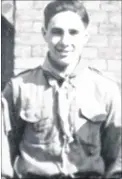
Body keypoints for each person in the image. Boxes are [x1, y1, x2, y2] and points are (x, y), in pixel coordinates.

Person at [2, 0, 121, 179]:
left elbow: (116, 158)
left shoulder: (106, 90)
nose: (65, 41)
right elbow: (3, 158)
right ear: (45, 34)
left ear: (85, 37)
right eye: (57, 32)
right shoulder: (19, 88)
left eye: (73, 33)